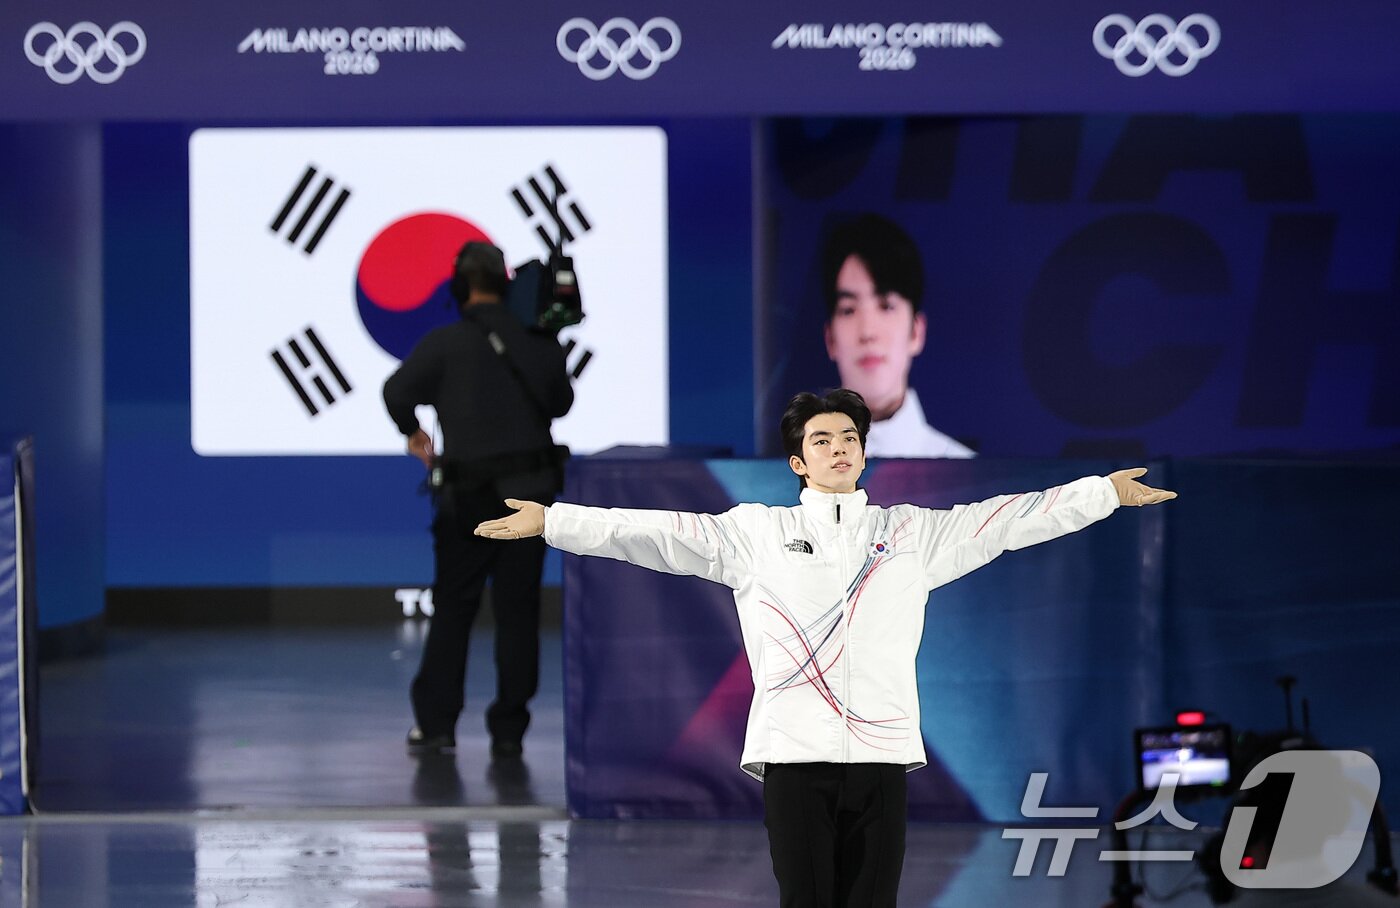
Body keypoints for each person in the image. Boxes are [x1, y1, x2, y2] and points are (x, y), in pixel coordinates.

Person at [475, 388, 1175, 907]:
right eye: (821, 439)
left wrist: (1102, 493)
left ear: (864, 452)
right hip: (793, 758)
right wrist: (555, 521)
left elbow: (1010, 520)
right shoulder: (755, 534)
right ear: (798, 462)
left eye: (849, 436)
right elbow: (652, 534)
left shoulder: (912, 534)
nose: (839, 446)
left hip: (880, 759)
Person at [382, 240, 573, 760]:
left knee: (454, 609)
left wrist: (413, 432)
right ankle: (509, 732)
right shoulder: (539, 341)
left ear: (459, 288)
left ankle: (437, 726)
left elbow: (396, 392)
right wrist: (547, 341)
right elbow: (561, 402)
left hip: (466, 500)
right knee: (519, 612)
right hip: (529, 501)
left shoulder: (444, 343)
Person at [820, 214, 974, 459]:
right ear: (830, 339)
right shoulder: (782, 479)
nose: (868, 332)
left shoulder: (970, 475)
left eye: (886, 306)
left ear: (916, 331)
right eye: (849, 309)